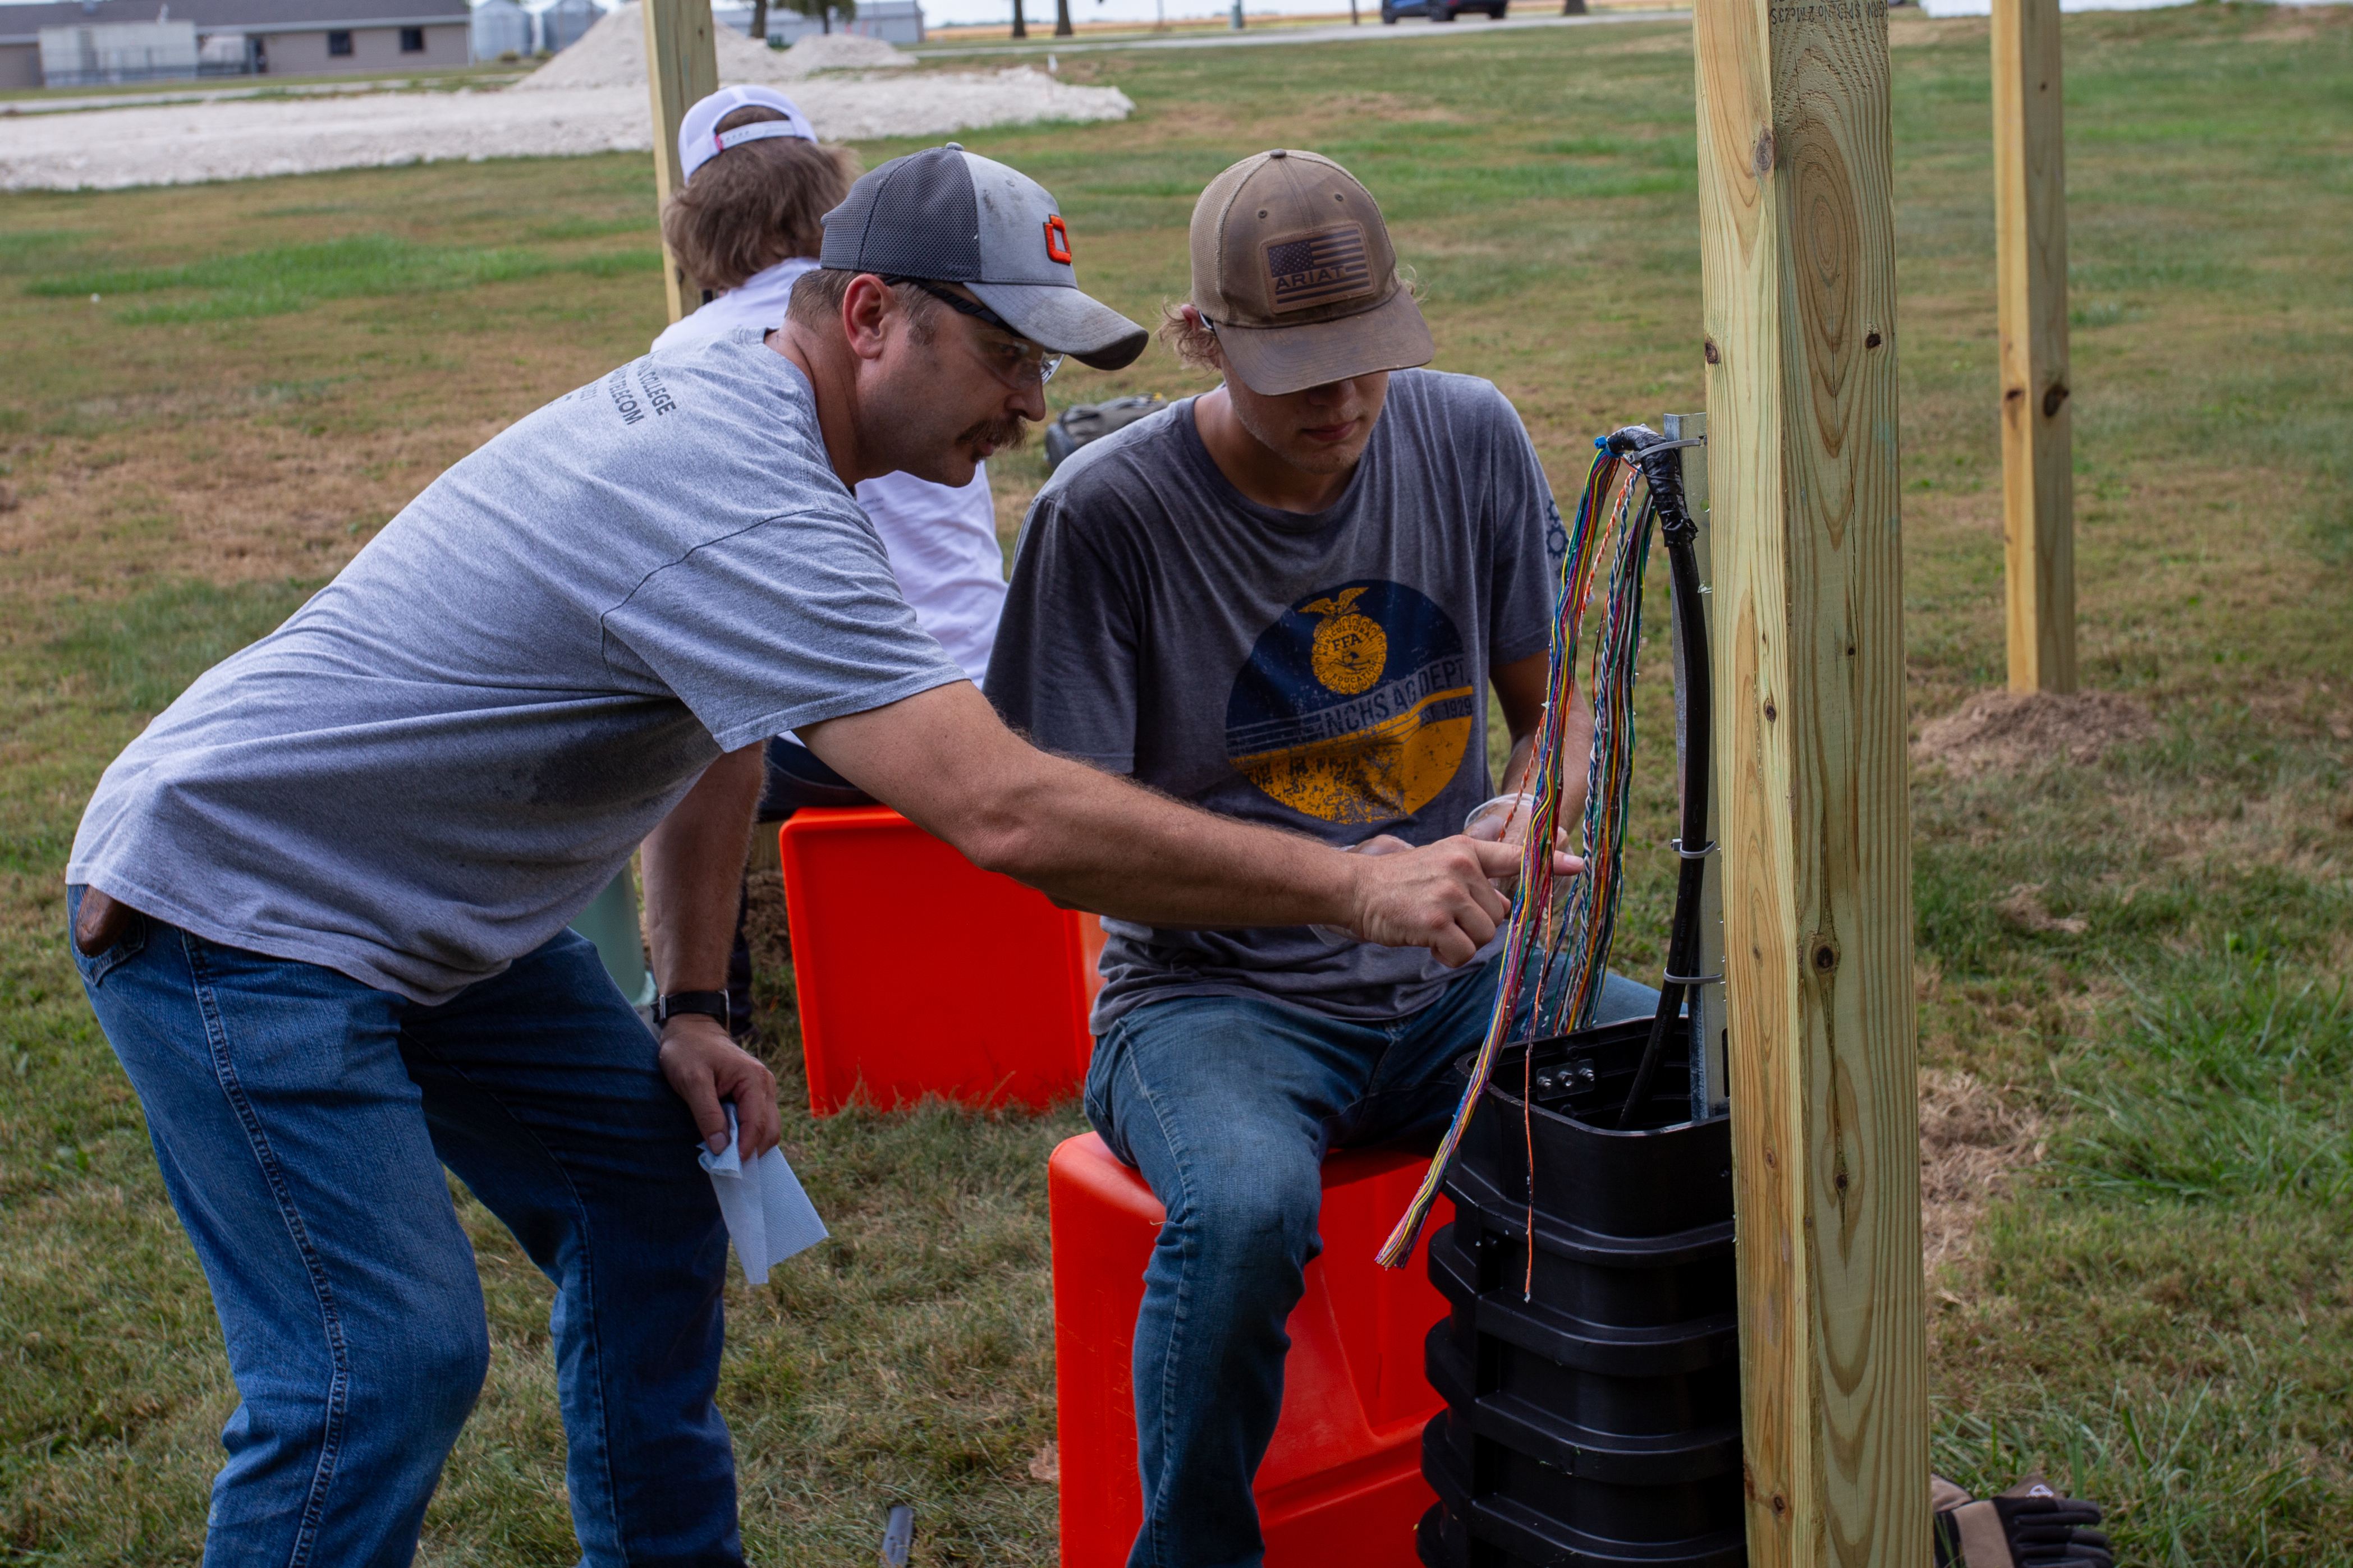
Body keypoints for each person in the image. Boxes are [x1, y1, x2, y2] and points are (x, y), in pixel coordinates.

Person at [64, 146, 1532, 1568]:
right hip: (241, 901)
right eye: (1007, 356)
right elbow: (1004, 811)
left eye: (1048, 367)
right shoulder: (739, 481)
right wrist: (1353, 881)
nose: (1032, 405)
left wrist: (694, 1002)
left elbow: (724, 734)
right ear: (871, 313)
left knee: (643, 1194)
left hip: (438, 920)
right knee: (380, 1359)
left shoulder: (781, 436)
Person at [986, 148, 1659, 1568]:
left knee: (1688, 1081)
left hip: (1457, 986)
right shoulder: (1106, 518)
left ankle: (1593, 1499)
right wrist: (1355, 887)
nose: (1347, 405)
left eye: (1371, 360)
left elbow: (1561, 709)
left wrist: (1539, 805)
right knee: (1242, 1212)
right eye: (1300, 371)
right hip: (1213, 1006)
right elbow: (1060, 846)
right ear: (1200, 340)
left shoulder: (1466, 434)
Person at [650, 90, 1014, 1032]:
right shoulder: (914, 329)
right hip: (995, 694)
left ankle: (706, 1007)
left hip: (839, 746)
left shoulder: (685, 357)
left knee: (660, 751)